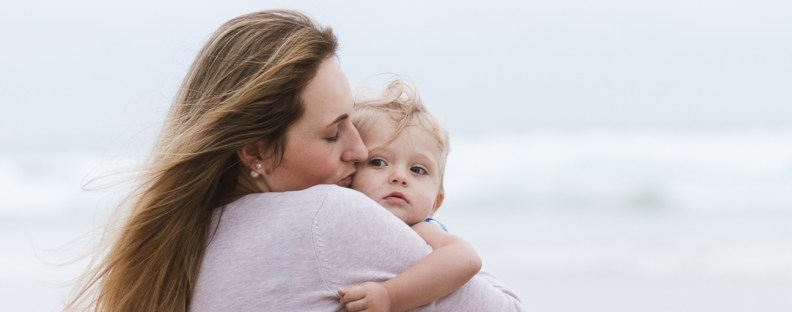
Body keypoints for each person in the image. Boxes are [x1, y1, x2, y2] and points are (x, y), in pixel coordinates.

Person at [67, 9, 523, 311]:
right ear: (256, 152)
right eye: (333, 133)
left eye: (354, 123)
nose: (360, 151)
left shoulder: (184, 247)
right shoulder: (326, 216)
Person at [338, 78, 489, 311]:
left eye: (417, 170)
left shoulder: (419, 230)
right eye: (378, 162)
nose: (400, 177)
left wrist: (390, 296)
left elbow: (466, 258)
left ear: (436, 201)